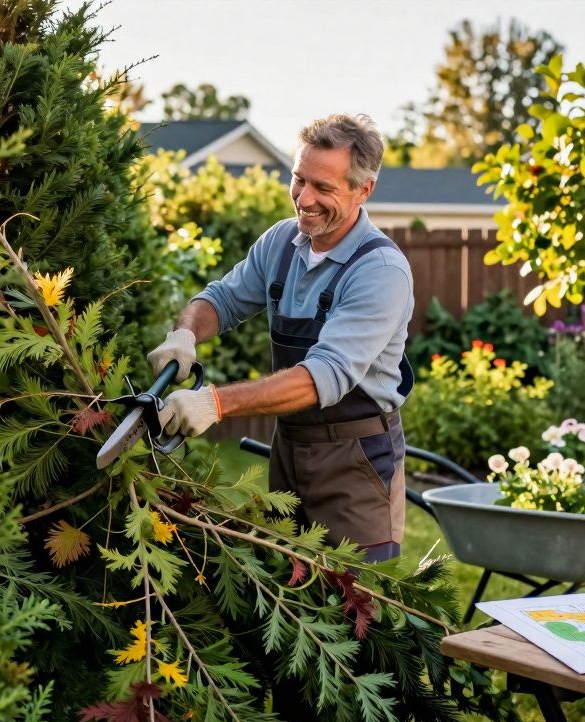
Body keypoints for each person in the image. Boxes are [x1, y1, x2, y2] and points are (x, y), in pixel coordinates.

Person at [148, 113, 414, 562]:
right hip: (290, 449)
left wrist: (214, 403)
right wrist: (185, 333)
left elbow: (321, 377)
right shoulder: (281, 243)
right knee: (282, 589)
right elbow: (221, 300)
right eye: (299, 179)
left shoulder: (380, 272)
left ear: (363, 190)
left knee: (356, 606)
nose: (304, 199)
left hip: (357, 464)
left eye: (324, 189)